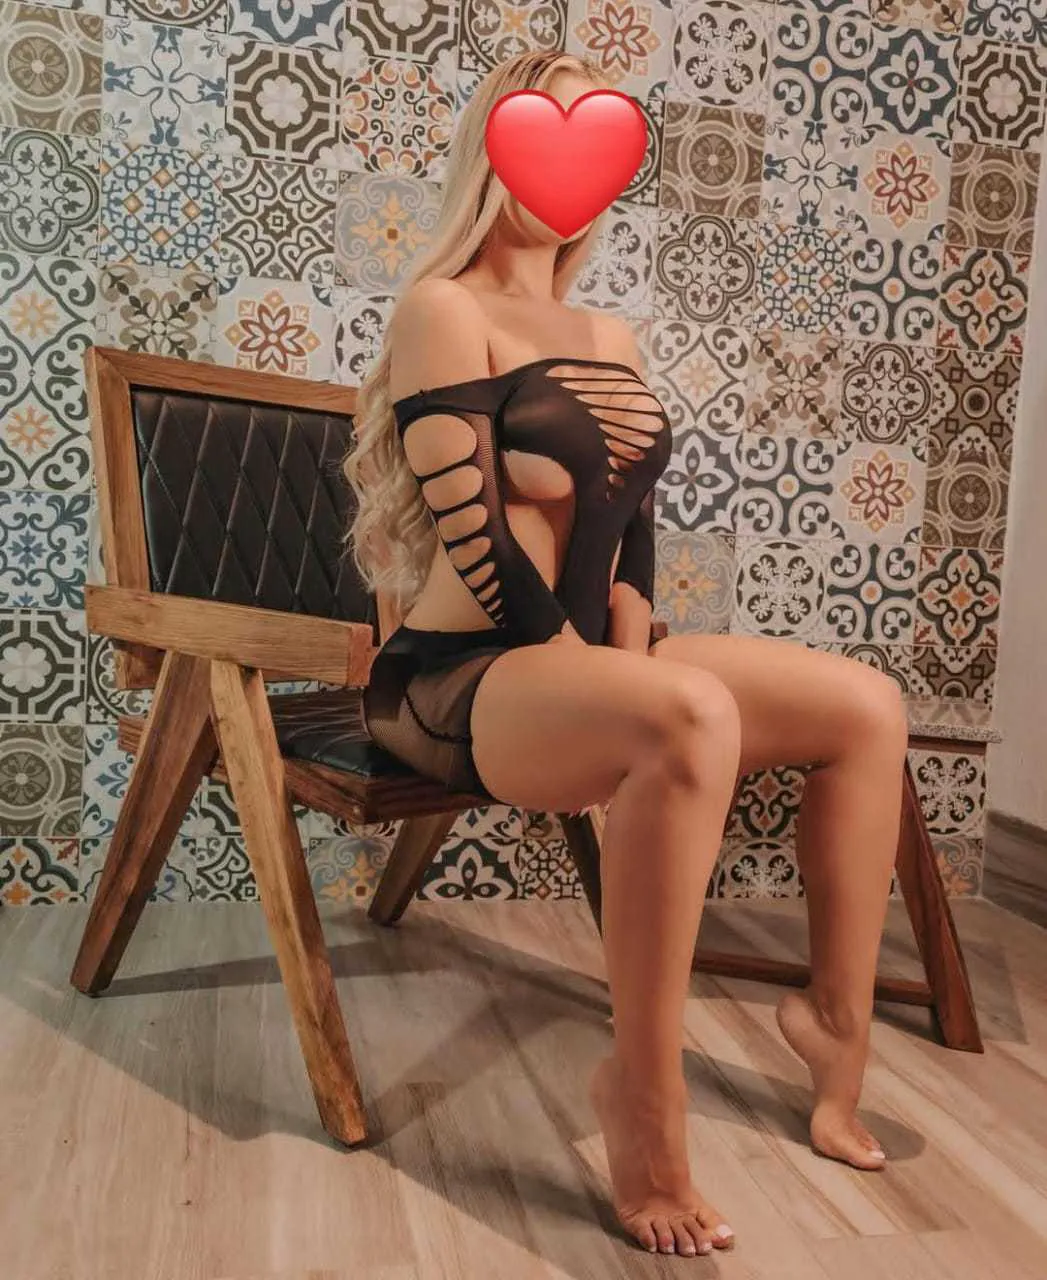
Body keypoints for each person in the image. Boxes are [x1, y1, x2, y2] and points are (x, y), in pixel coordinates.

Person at [343, 49, 908, 1261]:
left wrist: (632, 650)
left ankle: (834, 1025)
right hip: (460, 671)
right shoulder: (446, 309)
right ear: (495, 152)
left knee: (865, 705)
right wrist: (612, 676)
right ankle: (644, 1106)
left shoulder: (609, 331)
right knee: (690, 713)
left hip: (583, 659)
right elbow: (474, 530)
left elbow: (633, 523)